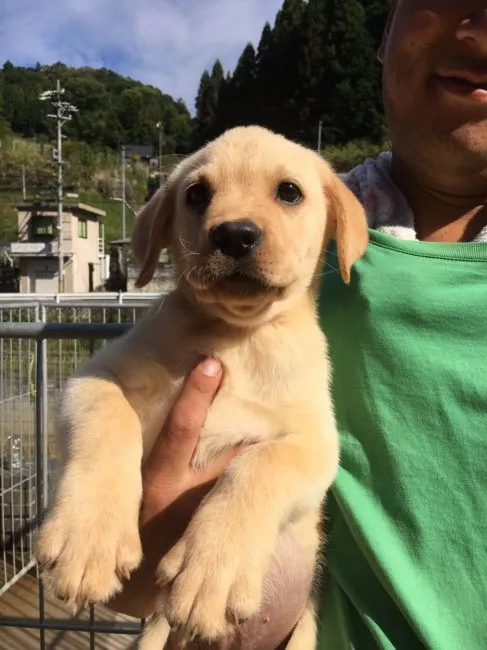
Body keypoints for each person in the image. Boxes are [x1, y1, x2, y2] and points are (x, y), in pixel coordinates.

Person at [109, 1, 487, 648]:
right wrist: (132, 541)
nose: (478, 23)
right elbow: (134, 573)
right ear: (384, 29)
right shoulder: (285, 251)